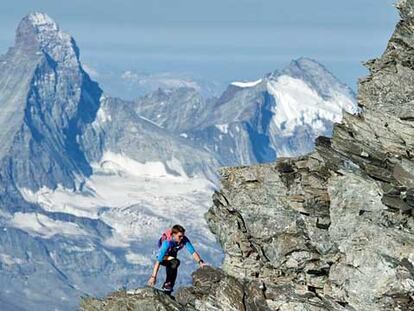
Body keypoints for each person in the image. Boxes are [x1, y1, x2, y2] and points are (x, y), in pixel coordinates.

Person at [147, 224, 206, 293]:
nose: (182, 238)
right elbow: (158, 261)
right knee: (175, 262)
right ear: (173, 235)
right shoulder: (167, 243)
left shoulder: (183, 239)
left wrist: (200, 262)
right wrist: (153, 277)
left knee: (174, 265)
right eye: (179, 236)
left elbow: (192, 252)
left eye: (182, 236)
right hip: (163, 255)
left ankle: (169, 287)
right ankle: (167, 284)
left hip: (171, 252)